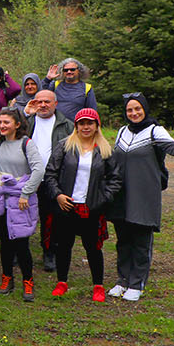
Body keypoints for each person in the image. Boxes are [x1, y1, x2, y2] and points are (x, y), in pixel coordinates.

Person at [108, 93, 174, 301]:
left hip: (144, 195)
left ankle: (137, 283)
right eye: (129, 110)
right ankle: (122, 280)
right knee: (123, 240)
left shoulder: (155, 131)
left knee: (141, 240)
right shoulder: (122, 131)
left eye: (137, 109)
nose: (134, 113)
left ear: (145, 109)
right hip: (122, 195)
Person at [41, 108, 122, 301]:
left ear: (96, 126)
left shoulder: (105, 150)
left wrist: (102, 199)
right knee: (63, 246)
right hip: (66, 205)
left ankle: (98, 285)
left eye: (90, 123)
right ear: (76, 126)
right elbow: (50, 173)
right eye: (81, 123)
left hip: (91, 207)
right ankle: (62, 281)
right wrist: (58, 195)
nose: (86, 127)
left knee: (93, 247)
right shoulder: (65, 146)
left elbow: (115, 179)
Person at [0, 107, 46, 301]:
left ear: (17, 124)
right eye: (0, 122)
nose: (2, 126)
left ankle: (27, 281)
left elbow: (39, 170)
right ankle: (7, 278)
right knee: (5, 242)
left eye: (7, 122)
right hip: (0, 200)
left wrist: (26, 193)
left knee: (21, 242)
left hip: (21, 200)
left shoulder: (26, 144)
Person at [25, 89, 72, 271]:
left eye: (47, 102)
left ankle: (49, 251)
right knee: (23, 215)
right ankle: (18, 250)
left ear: (55, 104)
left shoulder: (66, 125)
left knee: (50, 218)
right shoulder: (27, 123)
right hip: (28, 179)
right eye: (39, 102)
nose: (43, 105)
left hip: (52, 179)